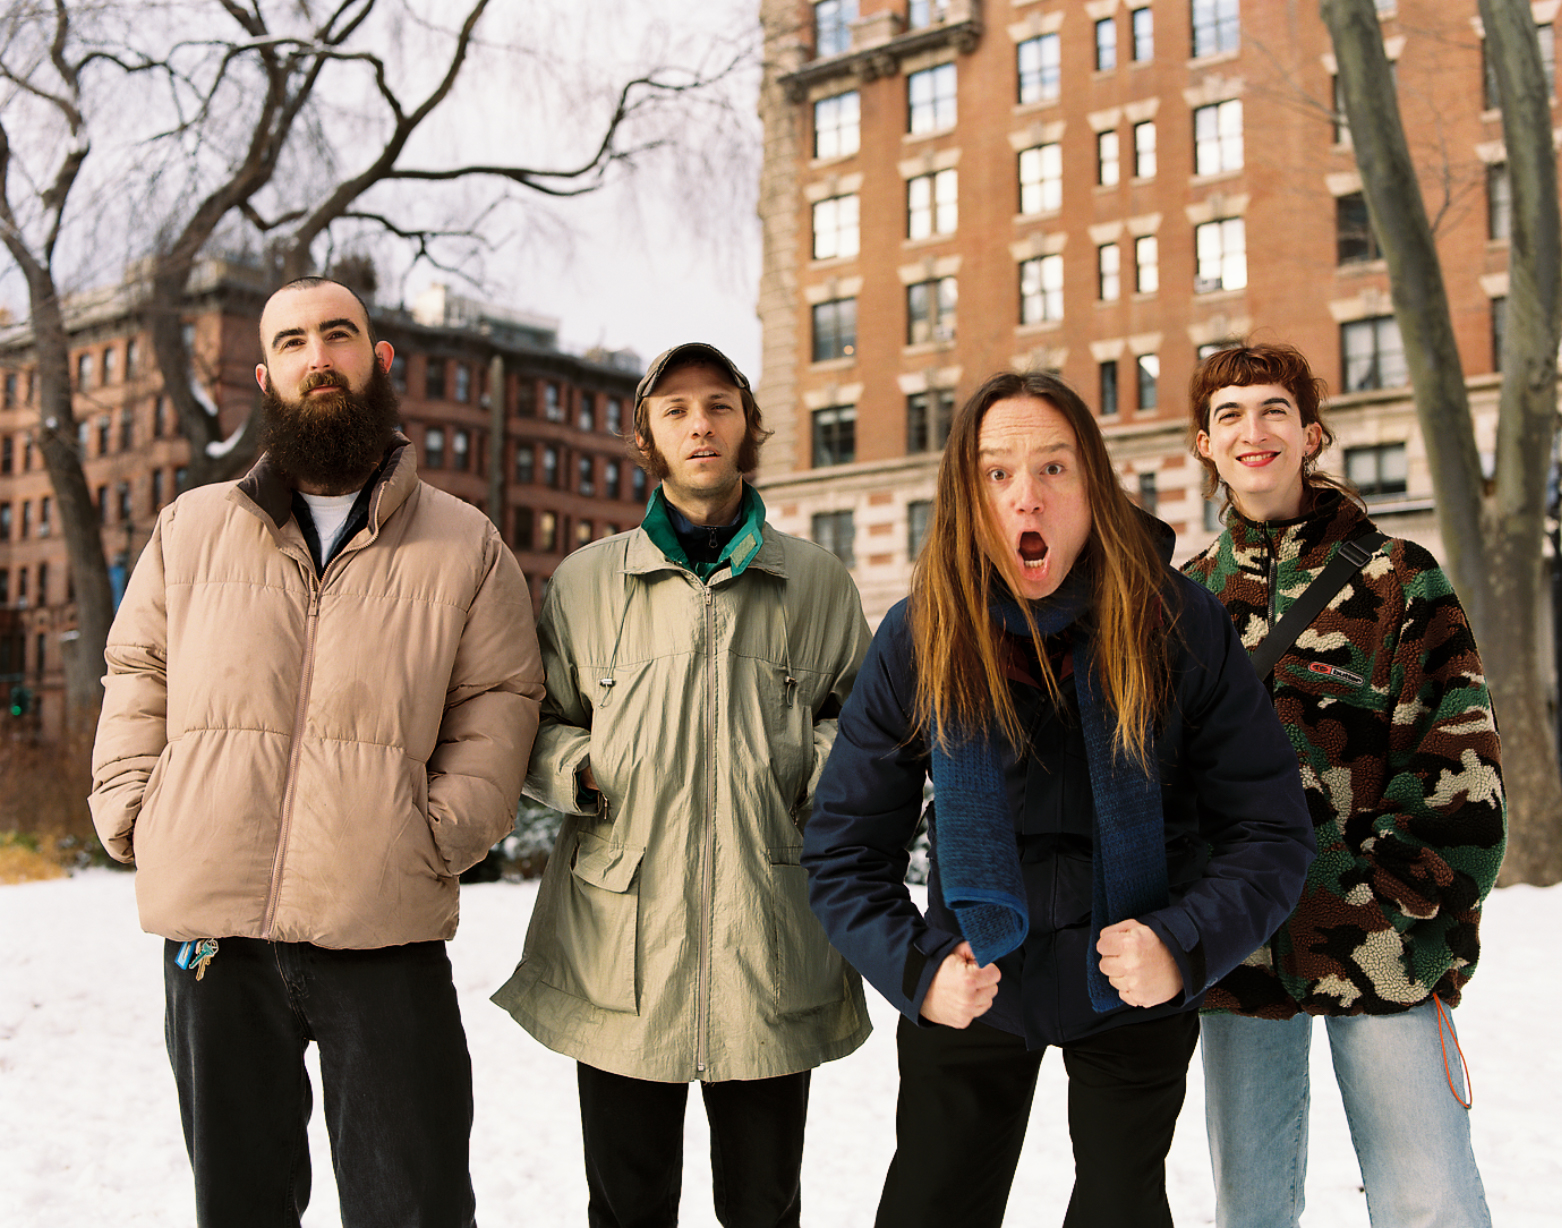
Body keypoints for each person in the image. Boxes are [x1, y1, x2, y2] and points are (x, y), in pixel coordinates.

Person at [801, 370, 1316, 1228]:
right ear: (966, 498)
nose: (1025, 498)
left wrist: (1180, 945)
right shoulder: (920, 634)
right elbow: (845, 851)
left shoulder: (1177, 622)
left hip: (1133, 977)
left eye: (1053, 468)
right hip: (973, 974)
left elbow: (1269, 832)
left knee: (1121, 1207)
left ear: (1094, 487)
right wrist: (919, 971)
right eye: (996, 474)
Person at [89, 276, 544, 1228]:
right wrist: (135, 809)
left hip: (382, 917)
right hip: (216, 926)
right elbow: (137, 670)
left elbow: (499, 700)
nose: (317, 357)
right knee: (240, 1205)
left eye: (338, 335)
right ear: (266, 376)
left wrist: (433, 835)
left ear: (378, 360)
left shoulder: (466, 543)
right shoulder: (191, 528)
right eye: (292, 342)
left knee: (414, 1204)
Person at [492, 342, 873, 1228]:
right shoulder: (587, 581)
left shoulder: (818, 582)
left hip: (769, 939)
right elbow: (530, 721)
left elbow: (873, 729)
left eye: (718, 405)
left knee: (765, 1207)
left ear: (747, 426)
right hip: (620, 945)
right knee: (627, 1207)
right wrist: (583, 769)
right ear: (647, 438)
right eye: (676, 410)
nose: (700, 424)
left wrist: (804, 765)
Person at [1184, 341, 1505, 1228]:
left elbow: (1461, 759)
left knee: (1429, 1202)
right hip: (1239, 953)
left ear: (1312, 433)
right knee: (1250, 1208)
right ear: (1205, 445)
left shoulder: (1400, 576)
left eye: (1275, 410)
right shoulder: (1184, 601)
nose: (1253, 429)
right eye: (1229, 415)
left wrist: (1392, 903)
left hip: (1382, 937)